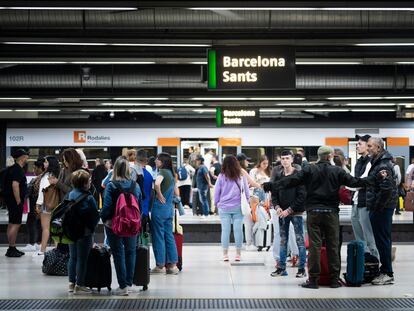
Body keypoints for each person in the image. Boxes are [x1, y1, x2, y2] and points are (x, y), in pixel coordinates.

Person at [264, 146, 381, 289]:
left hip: (313, 212)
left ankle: (313, 280)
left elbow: (291, 181)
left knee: (315, 246)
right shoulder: (337, 171)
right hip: (331, 213)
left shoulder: (309, 170)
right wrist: (376, 177)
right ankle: (333, 280)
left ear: (318, 156)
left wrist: (271, 185)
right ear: (330, 156)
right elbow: (356, 182)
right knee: (332, 246)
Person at [101, 156, 142, 296]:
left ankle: (122, 286)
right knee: (131, 252)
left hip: (114, 225)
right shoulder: (135, 185)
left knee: (118, 254)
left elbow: (106, 208)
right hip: (132, 224)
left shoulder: (111, 186)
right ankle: (129, 284)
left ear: (115, 169)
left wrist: (103, 218)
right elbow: (140, 206)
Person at [366, 137, 398, 286]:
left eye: (370, 146)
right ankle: (385, 270)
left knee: (383, 240)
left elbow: (386, 189)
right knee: (382, 240)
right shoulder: (378, 162)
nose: (368, 148)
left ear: (378, 147)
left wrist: (377, 207)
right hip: (381, 207)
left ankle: (387, 273)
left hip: (382, 208)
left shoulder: (383, 165)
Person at [269, 150, 307, 278]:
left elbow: (302, 196)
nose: (285, 161)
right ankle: (281, 268)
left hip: (296, 213)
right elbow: (274, 195)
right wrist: (277, 207)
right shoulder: (278, 176)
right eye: (283, 158)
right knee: (283, 241)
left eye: (287, 158)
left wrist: (288, 210)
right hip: (282, 214)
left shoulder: (299, 176)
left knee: (299, 241)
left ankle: (302, 269)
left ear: (292, 160)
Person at [67, 170, 100, 295]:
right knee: (82, 259)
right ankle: (80, 285)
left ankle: (71, 283)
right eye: (89, 181)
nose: (90, 183)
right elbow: (95, 216)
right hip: (84, 233)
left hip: (71, 231)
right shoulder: (89, 197)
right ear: (85, 184)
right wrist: (92, 227)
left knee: (73, 257)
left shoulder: (71, 194)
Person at [349, 135, 380, 260]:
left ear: (368, 146)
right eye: (356, 144)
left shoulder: (371, 161)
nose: (357, 146)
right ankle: (363, 259)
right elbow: (350, 183)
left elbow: (364, 181)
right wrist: (356, 184)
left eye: (360, 144)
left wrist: (356, 184)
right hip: (356, 200)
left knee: (368, 233)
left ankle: (374, 259)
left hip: (366, 201)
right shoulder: (358, 162)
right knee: (358, 234)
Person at [214, 156, 249, 262]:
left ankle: (225, 254)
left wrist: (217, 203)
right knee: (238, 230)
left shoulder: (221, 176)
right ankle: (238, 254)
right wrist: (246, 202)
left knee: (225, 231)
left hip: (224, 207)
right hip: (238, 207)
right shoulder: (241, 176)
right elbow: (246, 191)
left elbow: (216, 192)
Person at [150, 153, 180, 275]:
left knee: (158, 236)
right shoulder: (172, 175)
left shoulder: (162, 172)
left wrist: (159, 194)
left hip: (159, 209)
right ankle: (172, 265)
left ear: (162, 162)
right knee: (169, 236)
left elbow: (157, 183)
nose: (156, 161)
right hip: (168, 209)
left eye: (157, 159)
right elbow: (177, 193)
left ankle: (160, 265)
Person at [4, 149, 29, 257]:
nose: (27, 158)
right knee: (16, 224)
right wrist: (19, 201)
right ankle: (11, 248)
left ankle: (11, 247)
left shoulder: (11, 168)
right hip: (15, 201)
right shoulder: (18, 170)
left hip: (10, 200)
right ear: (22, 157)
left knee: (11, 223)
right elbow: (15, 185)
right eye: (26, 156)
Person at [33, 156, 61, 257]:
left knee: (45, 228)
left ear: (50, 164)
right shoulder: (58, 174)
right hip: (57, 204)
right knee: (55, 228)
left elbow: (42, 192)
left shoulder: (46, 176)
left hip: (47, 205)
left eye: (45, 162)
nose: (44, 164)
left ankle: (42, 250)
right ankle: (58, 249)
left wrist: (38, 204)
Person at [236, 153, 261, 251]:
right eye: (246, 160)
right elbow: (252, 182)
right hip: (243, 201)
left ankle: (240, 244)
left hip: (235, 200)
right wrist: (263, 186)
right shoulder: (241, 170)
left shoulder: (232, 170)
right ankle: (249, 244)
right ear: (241, 161)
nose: (248, 162)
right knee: (248, 221)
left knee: (238, 223)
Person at [24, 158, 44, 251]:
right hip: (35, 203)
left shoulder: (41, 178)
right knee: (34, 223)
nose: (34, 170)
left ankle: (34, 243)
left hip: (37, 204)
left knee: (34, 223)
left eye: (35, 168)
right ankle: (35, 243)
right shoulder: (38, 178)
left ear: (40, 168)